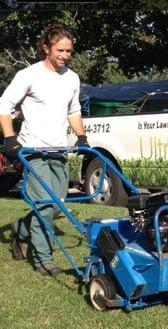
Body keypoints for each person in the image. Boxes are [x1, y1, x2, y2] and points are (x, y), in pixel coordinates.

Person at [0, 24, 89, 276]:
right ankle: (43, 260)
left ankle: (21, 228)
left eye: (69, 51)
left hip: (59, 150)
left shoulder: (72, 78)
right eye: (60, 50)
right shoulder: (29, 75)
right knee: (44, 206)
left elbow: (74, 110)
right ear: (46, 48)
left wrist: (81, 136)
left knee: (58, 204)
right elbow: (4, 105)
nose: (65, 55)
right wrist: (10, 138)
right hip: (32, 151)